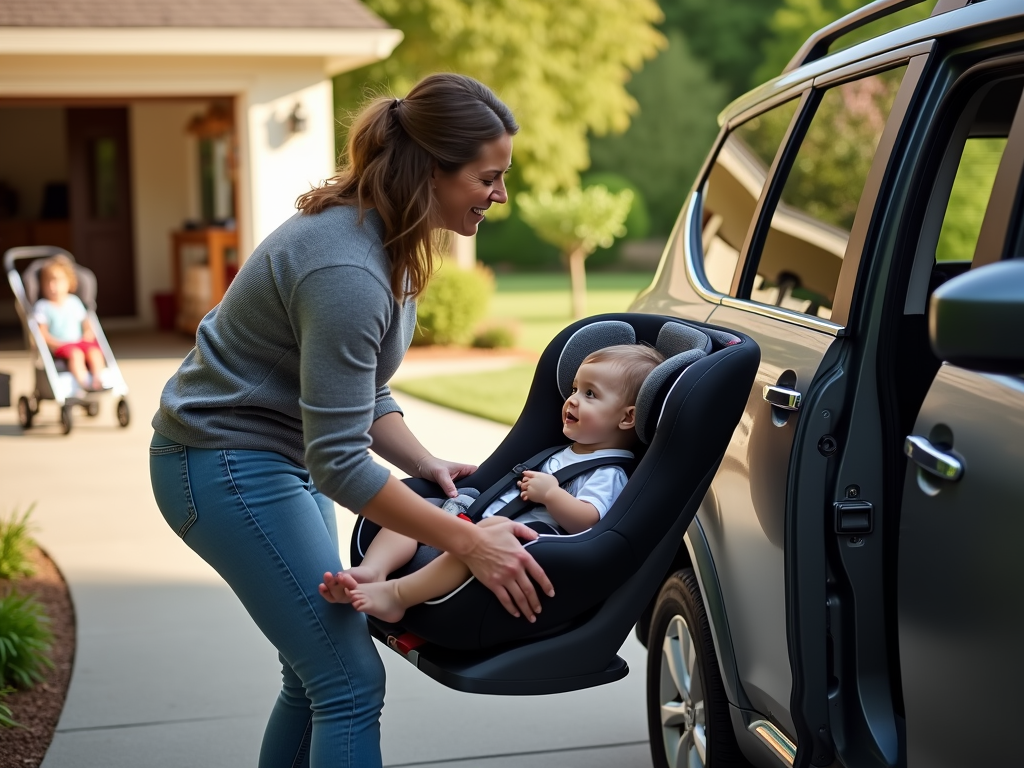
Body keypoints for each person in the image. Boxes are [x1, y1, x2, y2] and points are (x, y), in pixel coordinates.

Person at [148, 73, 553, 768]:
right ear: (432, 169)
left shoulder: (384, 238)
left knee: (313, 681)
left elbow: (353, 392)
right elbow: (338, 458)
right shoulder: (348, 266)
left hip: (277, 456)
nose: (500, 196)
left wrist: (420, 462)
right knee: (346, 682)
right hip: (223, 464)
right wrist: (469, 542)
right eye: (488, 178)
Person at [320, 344, 665, 623]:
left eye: (590, 394)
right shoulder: (564, 451)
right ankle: (372, 571)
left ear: (627, 417)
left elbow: (589, 519)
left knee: (490, 532)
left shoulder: (608, 471)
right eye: (574, 389)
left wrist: (553, 495)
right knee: (416, 511)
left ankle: (396, 596)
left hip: (528, 546)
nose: (572, 400)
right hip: (482, 524)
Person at [33, 255, 107, 392]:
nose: (52, 286)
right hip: (60, 346)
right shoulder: (43, 306)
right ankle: (85, 383)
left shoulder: (74, 302)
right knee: (76, 355)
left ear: (69, 282)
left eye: (57, 281)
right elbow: (42, 333)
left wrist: (87, 333)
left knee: (95, 352)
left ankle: (98, 380)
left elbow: (86, 323)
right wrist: (55, 343)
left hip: (79, 342)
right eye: (47, 282)